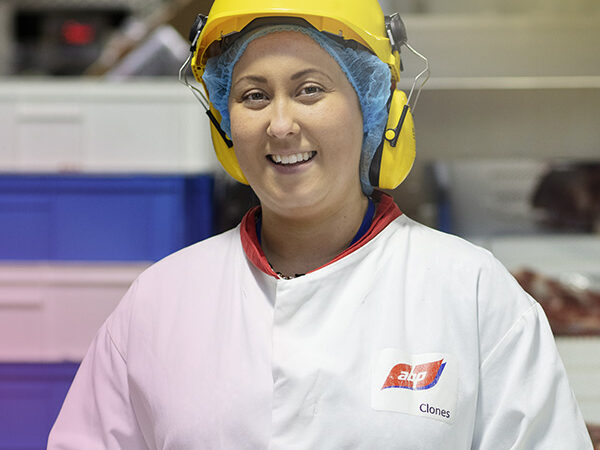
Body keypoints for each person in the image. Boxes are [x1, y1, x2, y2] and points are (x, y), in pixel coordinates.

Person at [48, 0, 593, 448]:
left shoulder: (471, 293)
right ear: (224, 122)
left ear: (374, 109)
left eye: (310, 89)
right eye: (253, 96)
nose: (281, 125)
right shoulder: (160, 301)